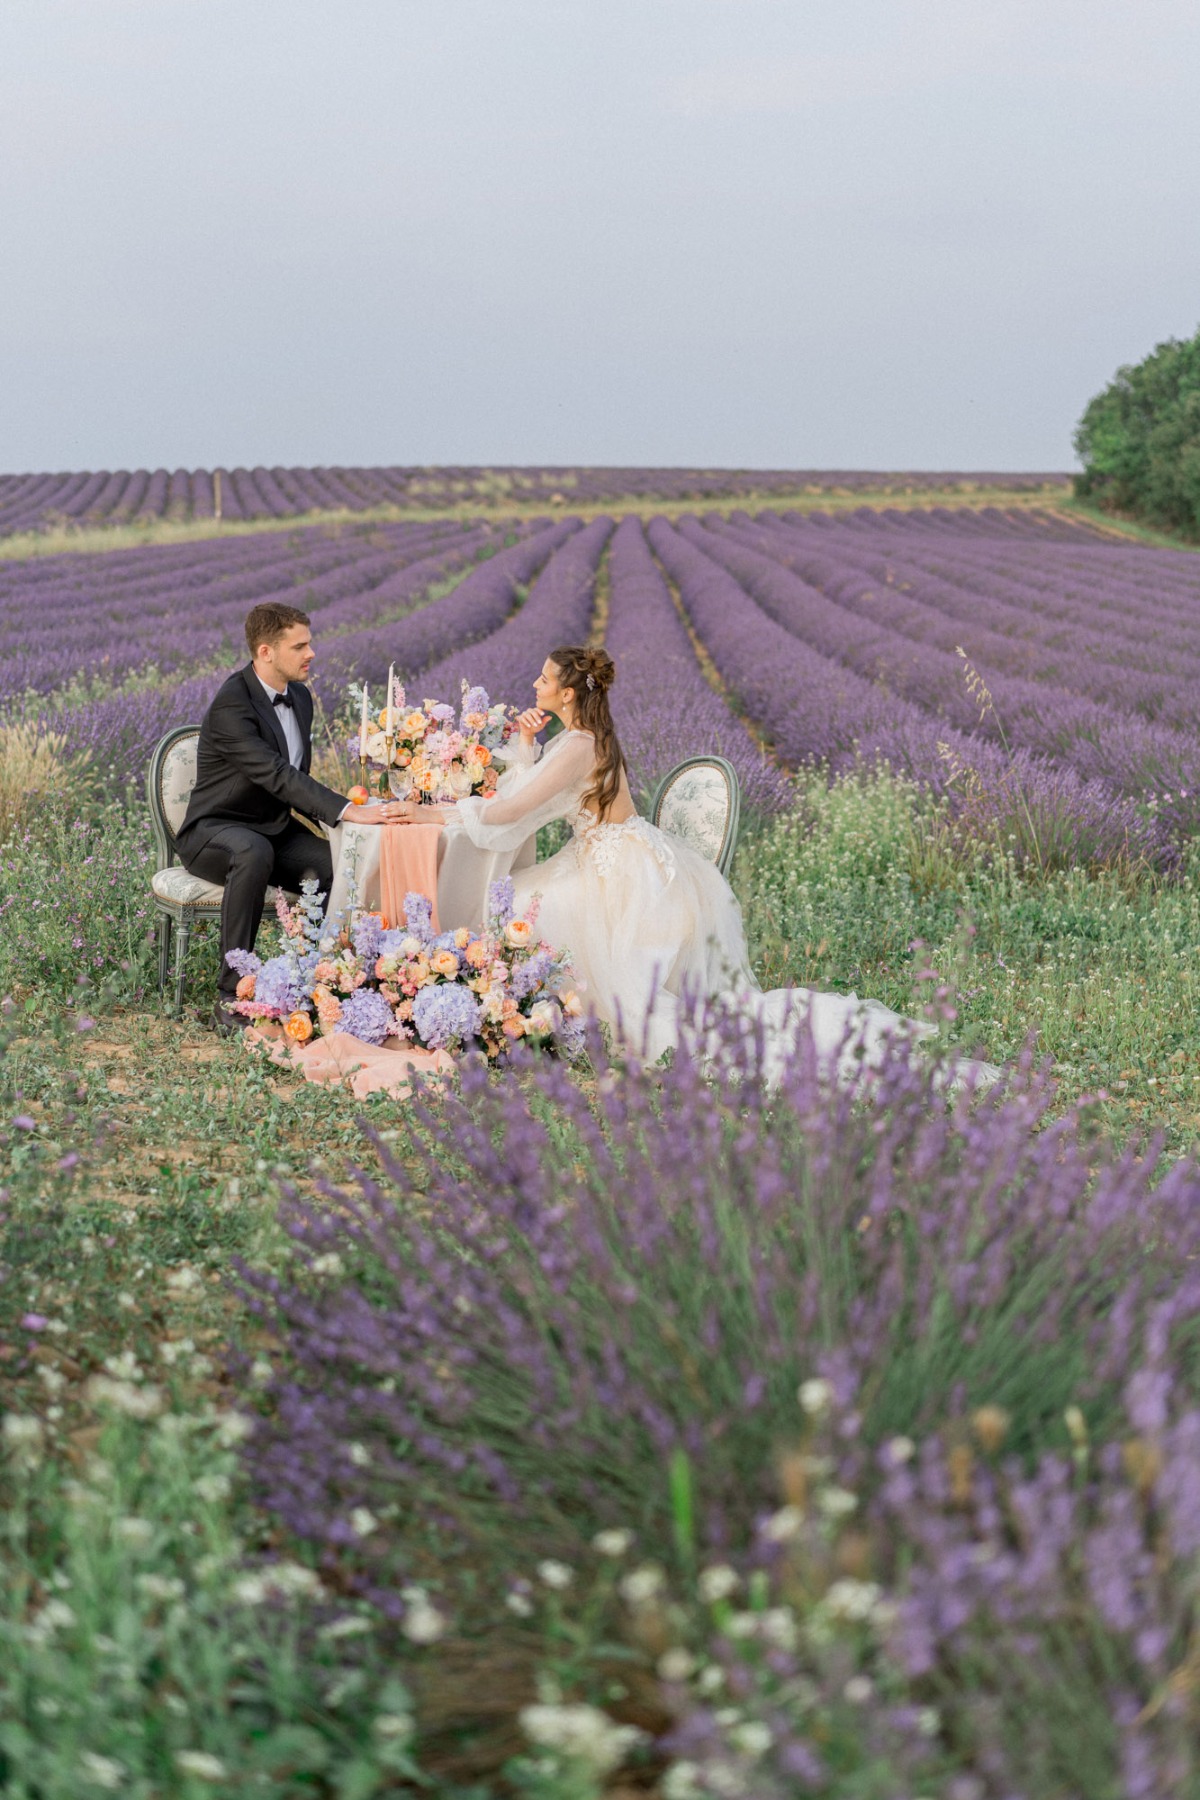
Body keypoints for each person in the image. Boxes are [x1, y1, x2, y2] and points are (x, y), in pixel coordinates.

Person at [447, 643, 997, 1088]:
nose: (535, 685)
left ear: (567, 693)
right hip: (615, 854)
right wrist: (524, 742)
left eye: (544, 679)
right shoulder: (577, 738)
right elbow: (532, 797)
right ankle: (531, 1021)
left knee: (520, 906)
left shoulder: (577, 746)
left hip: (617, 871)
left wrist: (452, 812)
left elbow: (516, 810)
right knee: (522, 903)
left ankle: (536, 1023)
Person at [177, 601, 403, 1032]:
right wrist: (346, 811)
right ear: (265, 651)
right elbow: (276, 775)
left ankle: (318, 981)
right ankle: (231, 995)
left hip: (272, 830)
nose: (311, 653)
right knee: (252, 851)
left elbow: (295, 778)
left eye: (309, 643)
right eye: (299, 646)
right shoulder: (232, 705)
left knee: (339, 866)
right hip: (214, 833)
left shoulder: (299, 696)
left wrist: (341, 826)